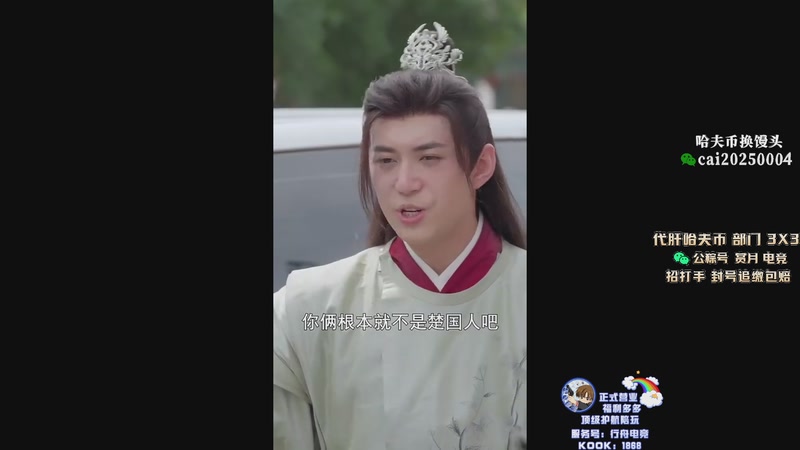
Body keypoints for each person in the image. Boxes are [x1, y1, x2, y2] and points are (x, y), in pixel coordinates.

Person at [273, 21, 527, 450]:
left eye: (429, 158)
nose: (404, 183)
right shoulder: (306, 309)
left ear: (481, 167)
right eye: (386, 161)